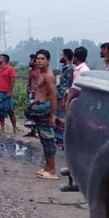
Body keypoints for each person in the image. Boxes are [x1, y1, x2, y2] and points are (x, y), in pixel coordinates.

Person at [32, 49, 59, 180]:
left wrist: (53, 115)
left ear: (48, 60)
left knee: (48, 139)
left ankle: (52, 170)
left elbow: (54, 95)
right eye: (38, 58)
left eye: (42, 59)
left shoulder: (48, 76)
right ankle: (47, 168)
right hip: (40, 108)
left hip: (46, 108)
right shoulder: (40, 74)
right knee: (43, 139)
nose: (39, 61)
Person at [54, 49, 74, 149]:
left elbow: (68, 86)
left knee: (62, 119)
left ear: (66, 56)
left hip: (63, 97)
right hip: (59, 95)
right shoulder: (64, 68)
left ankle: (62, 141)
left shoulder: (70, 69)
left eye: (62, 54)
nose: (61, 56)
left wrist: (65, 99)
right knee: (58, 118)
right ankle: (58, 140)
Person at [0, 54, 17, 134]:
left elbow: (13, 80)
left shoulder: (10, 69)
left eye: (0, 58)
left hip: (6, 92)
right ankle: (2, 126)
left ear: (4, 60)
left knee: (10, 110)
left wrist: (10, 91)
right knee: (0, 110)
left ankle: (14, 127)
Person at [23, 54, 41, 137]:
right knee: (31, 112)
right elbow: (29, 83)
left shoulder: (38, 71)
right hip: (31, 93)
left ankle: (37, 131)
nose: (29, 62)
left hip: (36, 94)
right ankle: (32, 131)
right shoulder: (31, 71)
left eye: (31, 60)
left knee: (36, 112)